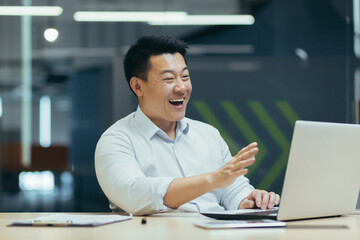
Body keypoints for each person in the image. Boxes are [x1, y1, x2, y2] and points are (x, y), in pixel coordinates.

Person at [95, 35, 280, 215]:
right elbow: (133, 194)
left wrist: (249, 199)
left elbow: (232, 189)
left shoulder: (208, 134)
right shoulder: (117, 140)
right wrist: (210, 180)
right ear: (138, 87)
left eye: (185, 77)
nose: (181, 87)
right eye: (169, 79)